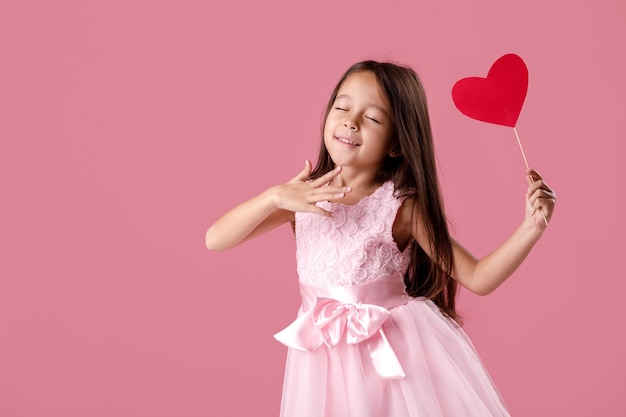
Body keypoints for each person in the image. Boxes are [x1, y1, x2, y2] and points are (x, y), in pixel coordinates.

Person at [205, 60, 556, 417]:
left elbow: (479, 277)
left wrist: (532, 226)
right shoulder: (303, 197)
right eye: (342, 107)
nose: (350, 121)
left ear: (396, 144)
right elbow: (215, 239)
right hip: (321, 363)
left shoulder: (400, 207)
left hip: (391, 359)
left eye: (372, 118)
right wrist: (273, 197)